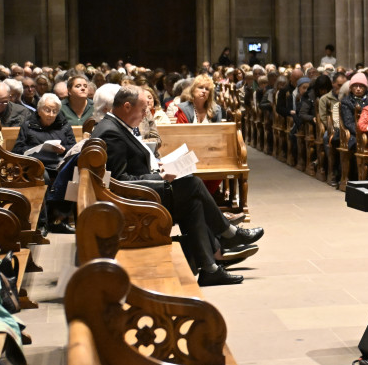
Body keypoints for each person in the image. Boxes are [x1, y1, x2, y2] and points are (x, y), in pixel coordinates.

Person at [91, 86, 263, 287]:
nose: (145, 114)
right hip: (134, 203)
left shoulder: (116, 126)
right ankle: (227, 233)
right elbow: (120, 182)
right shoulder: (112, 132)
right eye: (142, 109)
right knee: (192, 184)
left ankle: (211, 268)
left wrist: (158, 169)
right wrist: (161, 179)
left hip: (141, 194)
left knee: (193, 203)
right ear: (127, 106)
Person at [13, 93, 77, 234]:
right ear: (39, 110)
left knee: (72, 175)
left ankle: (60, 220)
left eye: (55, 111)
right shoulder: (28, 125)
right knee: (43, 178)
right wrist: (36, 149)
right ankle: (42, 223)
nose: (51, 114)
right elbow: (17, 149)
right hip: (36, 165)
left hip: (58, 162)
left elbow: (73, 147)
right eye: (47, 110)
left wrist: (62, 150)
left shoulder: (64, 125)